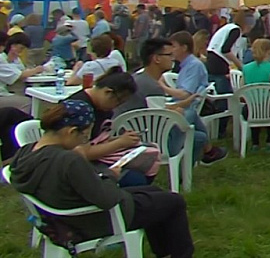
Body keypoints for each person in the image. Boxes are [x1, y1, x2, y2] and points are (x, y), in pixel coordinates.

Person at [10, 100, 196, 257]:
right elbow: (107, 199)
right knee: (174, 201)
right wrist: (110, 175)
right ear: (71, 131)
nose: (85, 141)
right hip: (93, 219)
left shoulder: (26, 152)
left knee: (154, 192)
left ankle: (164, 252)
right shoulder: (68, 160)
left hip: (58, 214)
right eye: (85, 135)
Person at [117, 38, 227, 166]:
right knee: (190, 113)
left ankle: (185, 174)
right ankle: (208, 152)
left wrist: (176, 108)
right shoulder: (152, 86)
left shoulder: (140, 78)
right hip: (148, 141)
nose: (173, 58)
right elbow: (160, 121)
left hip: (135, 132)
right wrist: (177, 112)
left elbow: (154, 110)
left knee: (199, 137)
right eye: (169, 55)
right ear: (156, 59)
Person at [0, 33, 45, 111]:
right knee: (28, 102)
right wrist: (36, 70)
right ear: (12, 46)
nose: (21, 51)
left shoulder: (14, 58)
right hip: (3, 94)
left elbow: (22, 71)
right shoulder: (1, 58)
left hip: (6, 91)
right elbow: (20, 75)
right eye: (21, 48)